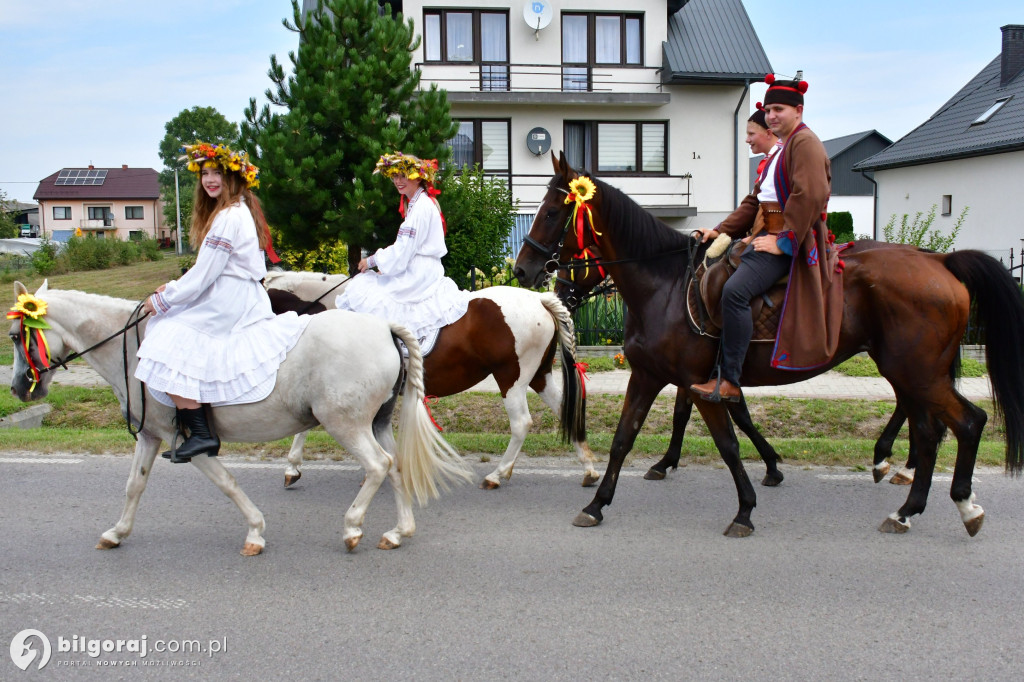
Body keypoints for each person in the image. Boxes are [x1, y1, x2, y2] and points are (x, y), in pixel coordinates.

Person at [135, 142, 308, 463]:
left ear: (234, 179)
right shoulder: (237, 210)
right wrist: (173, 288)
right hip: (230, 293)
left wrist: (161, 299)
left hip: (229, 299)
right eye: (205, 173)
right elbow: (207, 272)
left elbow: (203, 275)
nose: (210, 179)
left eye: (217, 173)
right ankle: (198, 427)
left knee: (167, 337)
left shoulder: (229, 216)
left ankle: (201, 433)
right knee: (174, 328)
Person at [690, 73, 841, 402]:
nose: (772, 116)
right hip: (770, 234)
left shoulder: (805, 142)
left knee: (734, 292)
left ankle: (730, 380)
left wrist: (783, 241)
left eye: (779, 110)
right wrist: (721, 231)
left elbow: (810, 194)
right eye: (769, 110)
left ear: (798, 111)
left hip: (792, 240)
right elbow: (754, 204)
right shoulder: (782, 149)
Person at [335, 152, 469, 350]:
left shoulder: (422, 206)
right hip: (419, 267)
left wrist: (372, 261)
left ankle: (396, 351)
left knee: (367, 290)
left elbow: (403, 250)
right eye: (395, 176)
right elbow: (405, 250)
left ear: (416, 177)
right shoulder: (418, 203)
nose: (398, 181)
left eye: (403, 176)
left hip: (419, 271)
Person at [747, 105, 780, 181]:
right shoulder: (773, 160)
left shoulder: (781, 161)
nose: (747, 140)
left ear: (768, 133)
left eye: (751, 134)